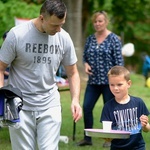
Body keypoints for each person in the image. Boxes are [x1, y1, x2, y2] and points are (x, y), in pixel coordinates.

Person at [0, 0, 82, 149]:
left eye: (61, 24)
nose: (58, 30)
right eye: (54, 25)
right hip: (19, 106)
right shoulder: (17, 35)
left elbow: (73, 72)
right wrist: (3, 97)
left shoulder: (64, 37)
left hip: (50, 104)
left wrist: (75, 100)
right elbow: (0, 67)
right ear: (42, 17)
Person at [77, 11, 124, 147]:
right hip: (93, 81)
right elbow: (85, 56)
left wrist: (116, 78)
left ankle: (109, 139)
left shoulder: (114, 39)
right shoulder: (90, 39)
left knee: (109, 110)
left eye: (100, 21)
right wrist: (85, 65)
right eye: (95, 21)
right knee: (86, 107)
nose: (97, 24)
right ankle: (87, 138)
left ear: (106, 22)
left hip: (109, 83)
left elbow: (119, 62)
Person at [100, 66, 150, 150]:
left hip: (137, 147)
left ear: (129, 84)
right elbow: (108, 135)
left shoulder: (138, 103)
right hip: (117, 147)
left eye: (119, 84)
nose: (115, 88)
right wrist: (107, 137)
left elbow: (147, 129)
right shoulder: (108, 107)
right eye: (112, 85)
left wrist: (145, 125)